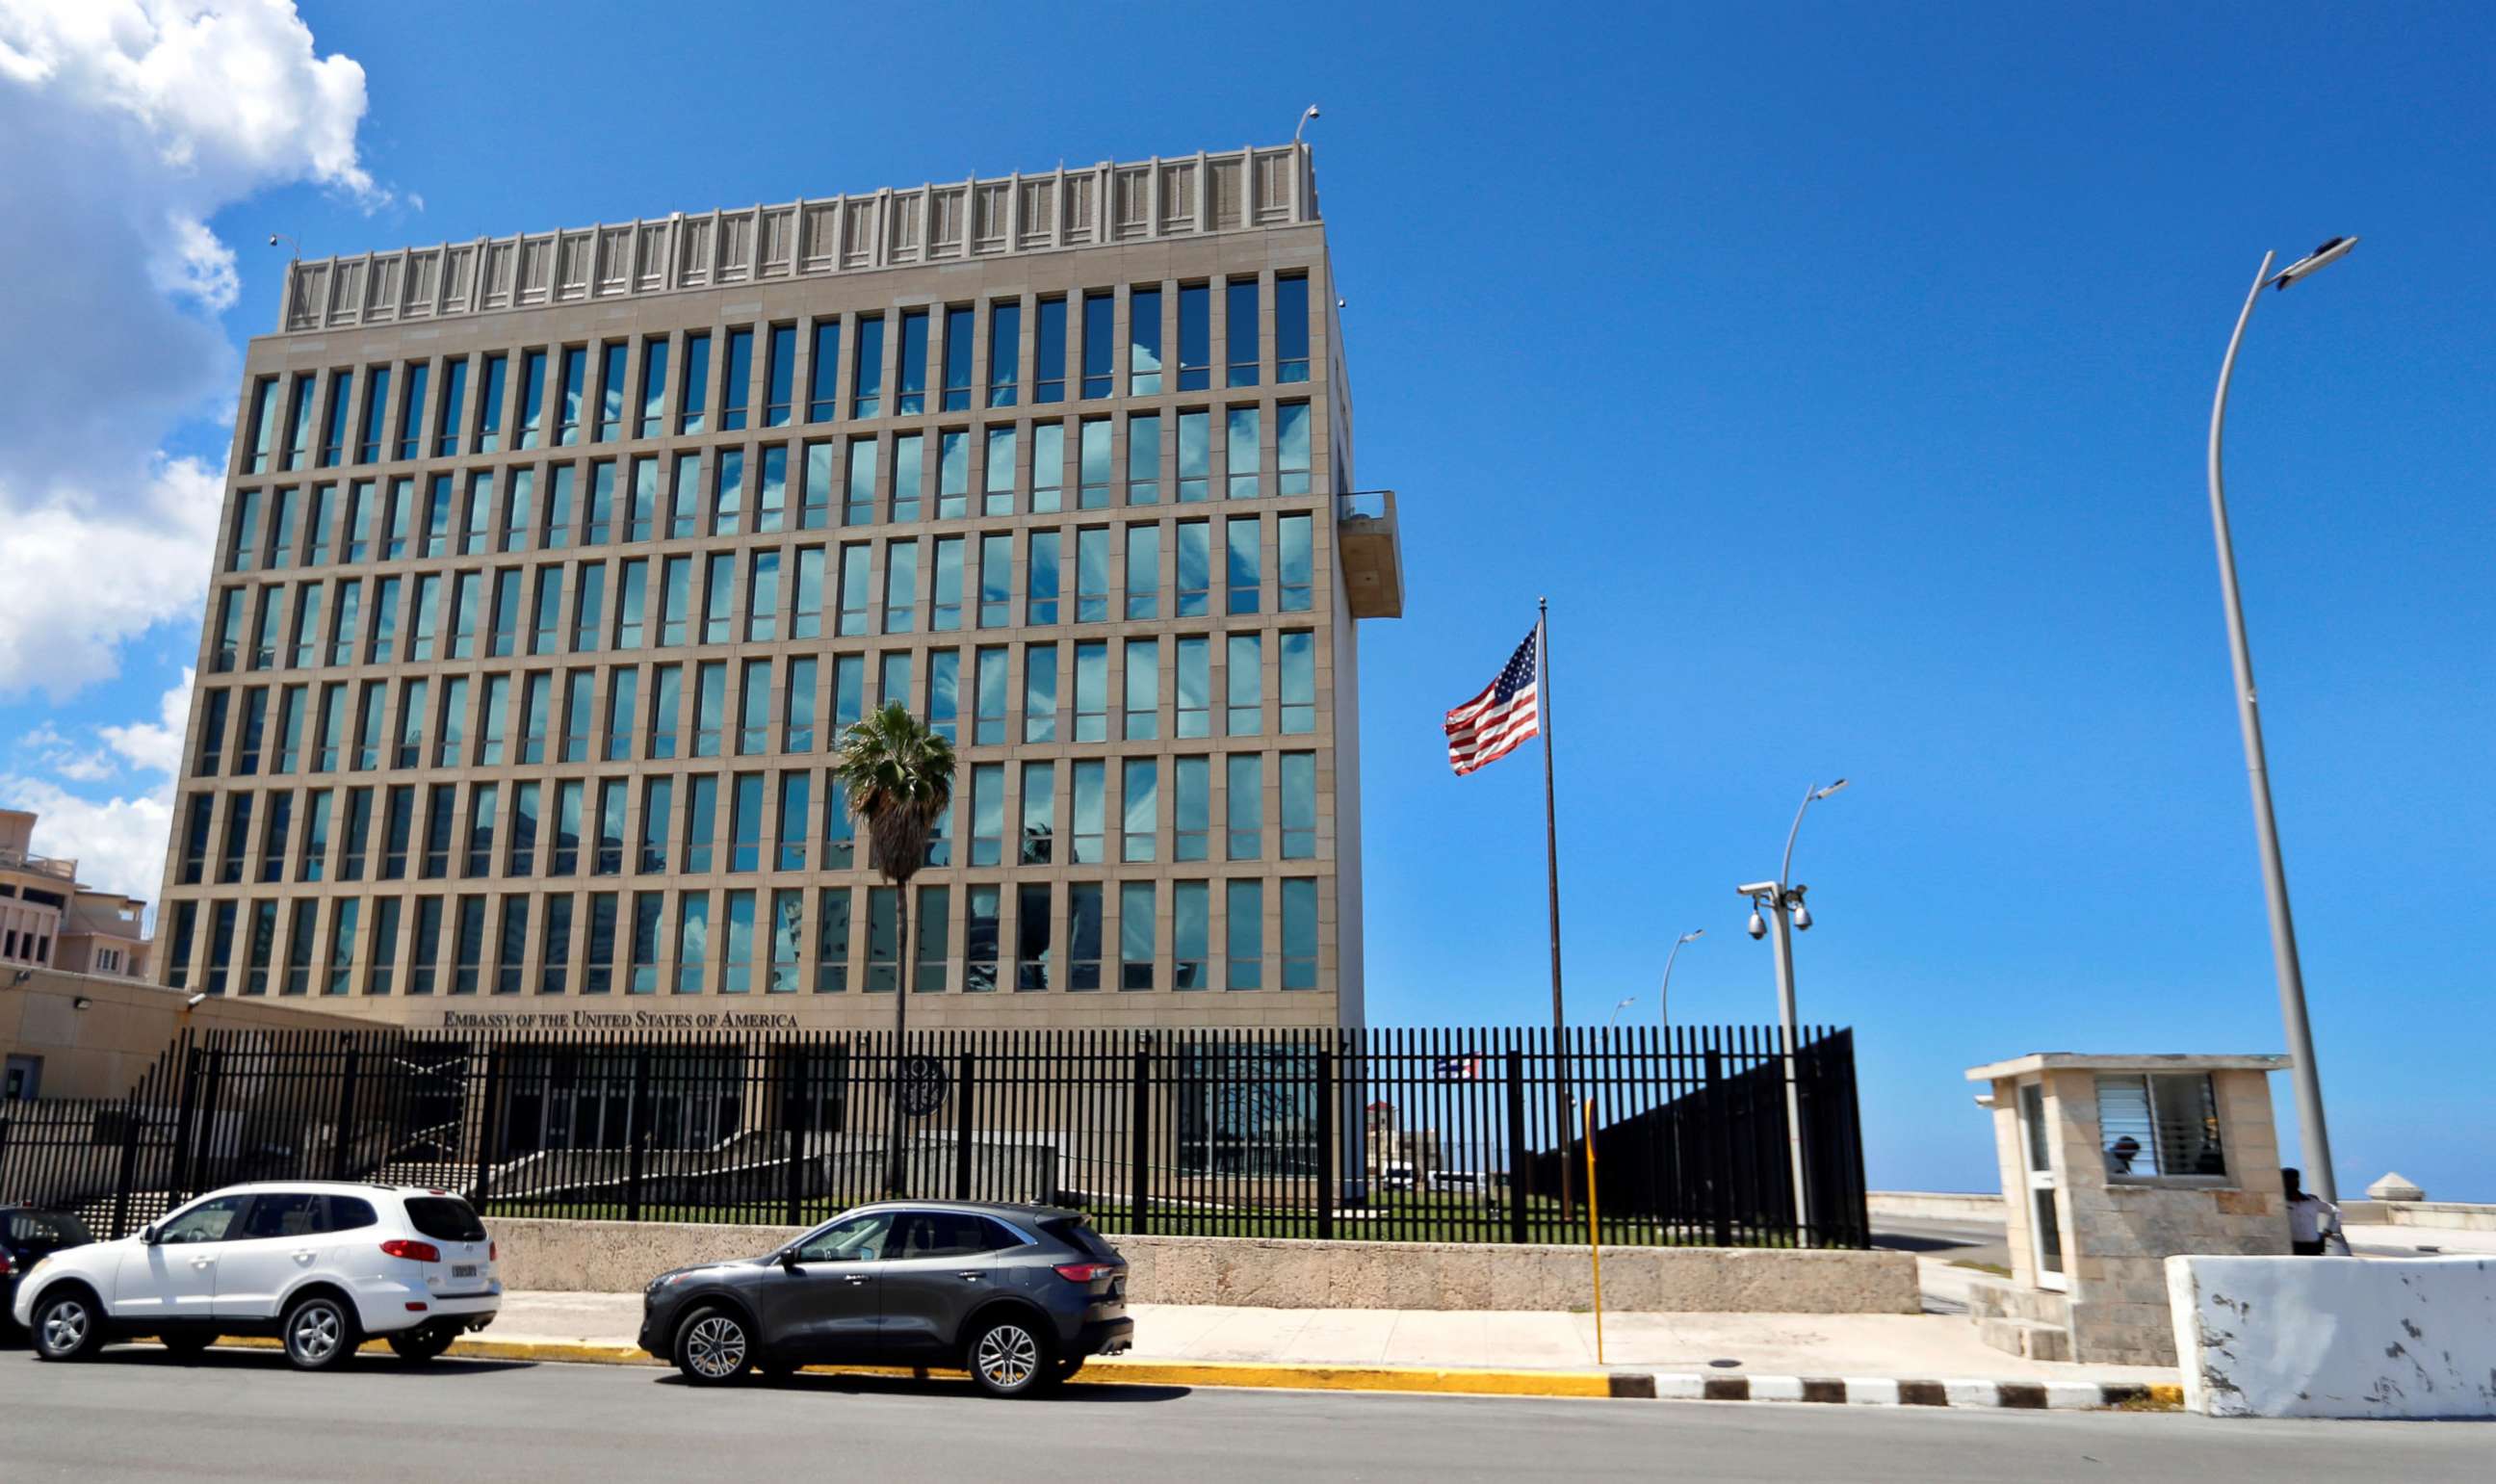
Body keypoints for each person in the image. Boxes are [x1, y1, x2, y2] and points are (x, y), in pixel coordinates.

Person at [2282, 1167, 2341, 1256]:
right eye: (2288, 1180)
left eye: (2295, 1179)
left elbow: (2337, 1212)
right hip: (2293, 1248)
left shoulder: (2312, 1201)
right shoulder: (2279, 1203)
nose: (2293, 1182)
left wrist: (2329, 1231)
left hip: (2314, 1247)